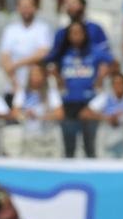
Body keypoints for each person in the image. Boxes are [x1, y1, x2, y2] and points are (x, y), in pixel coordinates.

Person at [47, 20, 113, 158]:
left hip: (90, 104)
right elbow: (49, 67)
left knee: (90, 146)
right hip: (69, 102)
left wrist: (102, 76)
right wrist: (57, 77)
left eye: (79, 32)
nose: (76, 36)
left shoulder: (94, 51)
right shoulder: (63, 54)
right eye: (73, 33)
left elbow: (113, 63)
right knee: (69, 148)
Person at [83, 70, 123, 159]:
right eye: (116, 83)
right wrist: (106, 117)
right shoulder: (105, 97)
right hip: (107, 137)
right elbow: (85, 113)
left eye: (121, 83)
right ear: (112, 85)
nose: (119, 86)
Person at [0, 0, 53, 93]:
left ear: (35, 8)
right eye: (23, 6)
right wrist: (14, 82)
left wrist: (17, 64)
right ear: (18, 8)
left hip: (36, 88)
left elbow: (43, 53)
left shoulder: (43, 28)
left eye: (29, 6)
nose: (26, 10)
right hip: (14, 86)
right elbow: (5, 57)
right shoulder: (10, 30)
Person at [11, 63, 63, 157]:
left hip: (47, 139)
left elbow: (60, 114)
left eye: (38, 74)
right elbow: (15, 113)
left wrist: (41, 116)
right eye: (33, 74)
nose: (36, 77)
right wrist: (25, 115)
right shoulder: (22, 93)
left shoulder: (51, 93)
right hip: (28, 138)